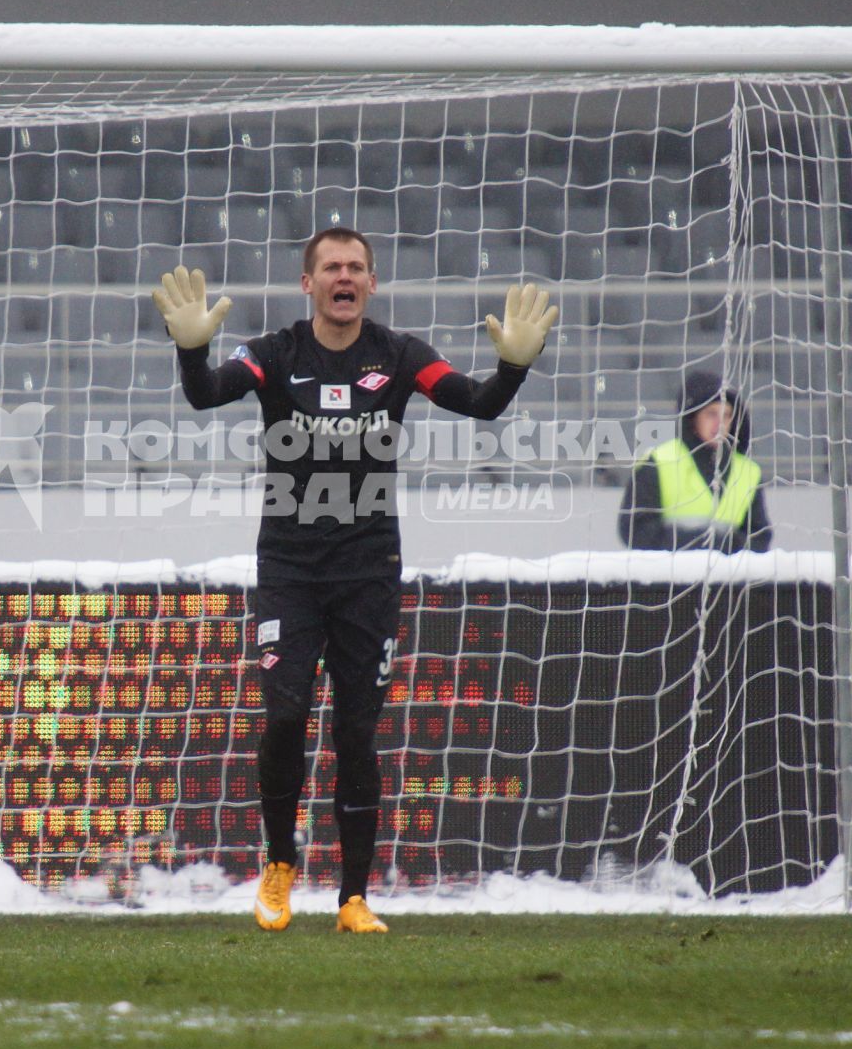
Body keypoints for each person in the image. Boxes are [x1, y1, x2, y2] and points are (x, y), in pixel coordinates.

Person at [153, 227, 555, 933]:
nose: (345, 277)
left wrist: (513, 369)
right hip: (289, 566)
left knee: (357, 731)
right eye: (332, 267)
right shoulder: (275, 354)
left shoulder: (400, 356)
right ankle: (280, 865)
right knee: (284, 718)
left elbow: (479, 402)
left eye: (357, 268)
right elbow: (209, 394)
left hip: (369, 570)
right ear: (308, 284)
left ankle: (353, 898)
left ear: (372, 282)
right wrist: (192, 349)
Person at [618, 371, 771, 553]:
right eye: (711, 414)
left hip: (726, 579)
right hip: (670, 577)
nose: (720, 424)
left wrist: (727, 545)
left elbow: (760, 538)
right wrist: (704, 542)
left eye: (727, 415)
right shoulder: (658, 462)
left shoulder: (748, 472)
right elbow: (635, 530)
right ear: (693, 417)